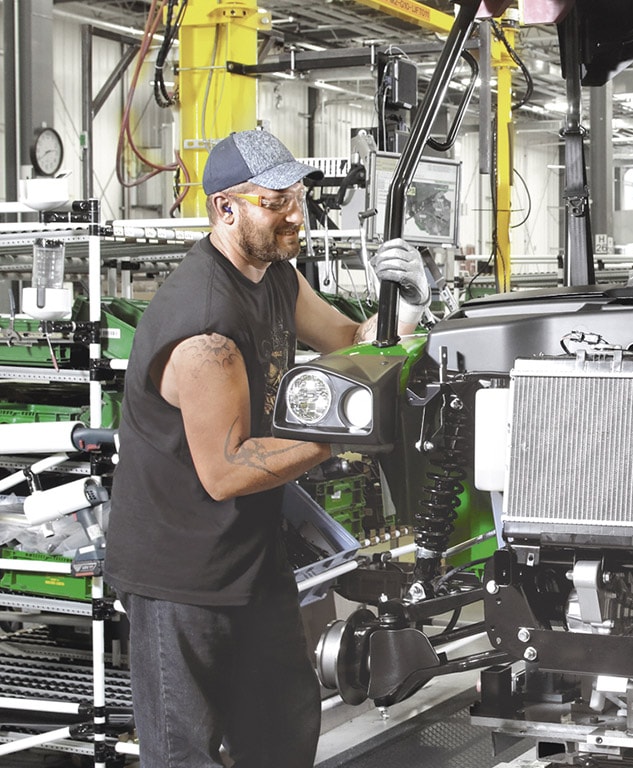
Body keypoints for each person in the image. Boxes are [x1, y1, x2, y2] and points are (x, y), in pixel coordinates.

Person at [105, 129, 431, 767]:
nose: (296, 214)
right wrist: (346, 432)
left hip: (254, 560)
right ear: (226, 209)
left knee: (284, 735)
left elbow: (348, 342)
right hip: (181, 579)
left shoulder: (276, 278)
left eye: (299, 197)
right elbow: (226, 471)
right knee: (184, 756)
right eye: (276, 201)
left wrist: (410, 307)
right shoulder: (204, 325)